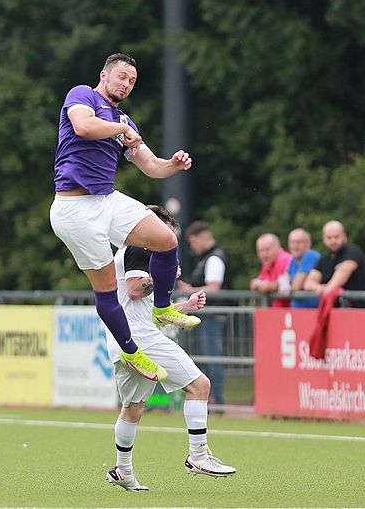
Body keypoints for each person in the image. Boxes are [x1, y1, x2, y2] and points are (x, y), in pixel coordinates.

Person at [50, 52, 199, 383]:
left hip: (106, 199)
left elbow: (152, 166)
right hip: (73, 209)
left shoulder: (124, 122)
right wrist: (121, 128)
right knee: (106, 288)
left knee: (166, 239)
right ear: (104, 74)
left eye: (132, 81)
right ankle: (131, 352)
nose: (127, 84)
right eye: (122, 77)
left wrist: (173, 164)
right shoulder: (83, 96)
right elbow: (83, 126)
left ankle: (163, 307)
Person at [106, 205, 237, 491]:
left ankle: (123, 469)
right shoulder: (139, 247)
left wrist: (184, 306)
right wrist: (162, 275)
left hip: (124, 339)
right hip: (141, 338)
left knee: (133, 408)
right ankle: (198, 456)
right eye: (166, 234)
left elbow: (149, 312)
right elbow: (136, 289)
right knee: (200, 385)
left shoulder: (132, 250)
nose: (167, 243)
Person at [177, 220, 230, 406]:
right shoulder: (208, 258)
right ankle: (212, 399)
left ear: (202, 238)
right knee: (207, 358)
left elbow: (214, 288)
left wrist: (189, 290)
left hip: (212, 316)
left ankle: (217, 401)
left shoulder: (214, 258)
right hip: (208, 316)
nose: (193, 247)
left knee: (211, 358)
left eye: (193, 242)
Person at [304, 220, 365, 307]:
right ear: (324, 239)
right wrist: (319, 288)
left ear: (345, 237)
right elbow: (308, 283)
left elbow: (344, 272)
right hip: (333, 311)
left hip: (358, 310)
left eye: (336, 237)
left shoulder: (353, 252)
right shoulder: (324, 259)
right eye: (329, 237)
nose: (333, 241)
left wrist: (327, 289)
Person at [249, 233, 293, 307]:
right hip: (278, 309)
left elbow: (283, 284)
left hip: (289, 310)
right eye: (260, 251)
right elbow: (259, 282)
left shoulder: (284, 260)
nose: (264, 254)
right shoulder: (268, 263)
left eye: (267, 249)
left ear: (278, 248)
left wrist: (267, 286)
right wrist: (258, 284)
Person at [286, 228, 321, 308]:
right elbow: (284, 280)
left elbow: (297, 286)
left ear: (308, 243)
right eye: (292, 242)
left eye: (299, 242)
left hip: (312, 309)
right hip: (298, 309)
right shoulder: (293, 260)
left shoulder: (311, 256)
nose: (295, 245)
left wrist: (286, 288)